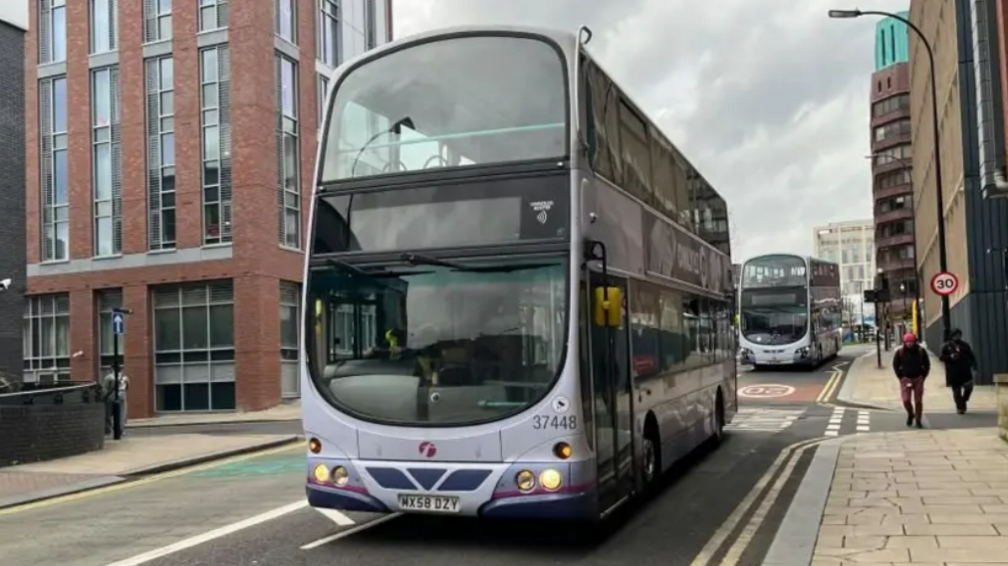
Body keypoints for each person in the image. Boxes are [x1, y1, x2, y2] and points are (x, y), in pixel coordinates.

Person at [892, 332, 930, 428]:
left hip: (918, 378)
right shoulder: (900, 352)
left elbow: (927, 364)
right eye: (907, 342)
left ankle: (918, 419)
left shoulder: (921, 351)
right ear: (904, 342)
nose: (909, 344)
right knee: (906, 400)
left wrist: (923, 375)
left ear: (915, 342)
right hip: (906, 379)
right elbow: (895, 365)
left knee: (918, 401)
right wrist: (901, 377)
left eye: (911, 341)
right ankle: (910, 413)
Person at [939, 328, 976, 414]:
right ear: (951, 336)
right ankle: (960, 407)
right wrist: (950, 357)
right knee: (956, 391)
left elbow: (971, 356)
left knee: (969, 387)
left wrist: (974, 366)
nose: (957, 337)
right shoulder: (946, 346)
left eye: (959, 335)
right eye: (955, 335)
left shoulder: (965, 345)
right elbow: (941, 357)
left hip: (965, 370)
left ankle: (964, 400)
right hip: (953, 371)